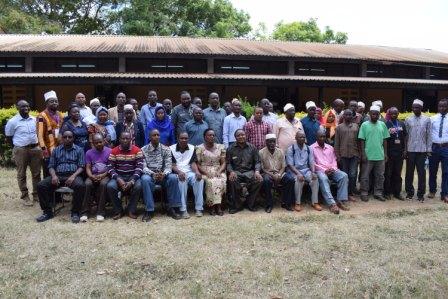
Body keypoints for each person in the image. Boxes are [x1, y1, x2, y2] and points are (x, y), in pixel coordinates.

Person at [36, 130, 86, 223]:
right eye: (65, 137)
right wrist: (54, 176)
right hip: (58, 175)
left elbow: (82, 166)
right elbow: (51, 166)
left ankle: (75, 212)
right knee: (41, 185)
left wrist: (73, 176)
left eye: (70, 137)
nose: (67, 139)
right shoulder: (56, 150)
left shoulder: (79, 150)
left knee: (80, 186)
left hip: (73, 175)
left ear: (73, 138)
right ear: (62, 138)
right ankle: (47, 212)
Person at [5, 100, 42, 206]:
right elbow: (8, 137)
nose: (26, 108)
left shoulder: (34, 119)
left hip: (35, 149)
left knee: (37, 173)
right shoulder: (13, 121)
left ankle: (36, 195)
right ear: (17, 107)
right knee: (21, 174)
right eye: (23, 106)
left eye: (27, 106)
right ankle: (25, 196)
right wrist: (17, 148)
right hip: (21, 150)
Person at [141, 129, 182, 221]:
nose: (156, 137)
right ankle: (149, 210)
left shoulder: (166, 149)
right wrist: (153, 174)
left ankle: (172, 208)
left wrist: (164, 174)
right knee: (145, 179)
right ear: (149, 137)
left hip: (163, 175)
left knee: (172, 178)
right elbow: (143, 167)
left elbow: (168, 166)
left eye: (158, 135)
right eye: (154, 135)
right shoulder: (143, 149)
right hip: (150, 175)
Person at [311, 130, 350, 214]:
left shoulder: (330, 147)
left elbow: (334, 160)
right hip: (320, 171)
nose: (322, 138)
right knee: (323, 178)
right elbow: (313, 163)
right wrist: (325, 170)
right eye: (320, 137)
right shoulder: (311, 148)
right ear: (316, 137)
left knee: (344, 176)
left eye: (324, 136)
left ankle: (340, 200)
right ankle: (332, 204)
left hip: (332, 170)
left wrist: (333, 168)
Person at [106, 132, 143, 220]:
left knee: (138, 186)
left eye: (127, 138)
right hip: (119, 176)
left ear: (131, 140)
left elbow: (140, 167)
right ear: (119, 139)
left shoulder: (137, 150)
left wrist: (132, 181)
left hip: (132, 175)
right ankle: (119, 210)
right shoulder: (114, 151)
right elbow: (110, 168)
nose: (125, 140)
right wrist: (118, 179)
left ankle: (131, 209)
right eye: (123, 138)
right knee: (110, 186)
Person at [358, 105, 390, 202]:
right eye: (373, 114)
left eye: (377, 114)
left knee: (380, 176)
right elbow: (362, 141)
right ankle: (364, 192)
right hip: (368, 155)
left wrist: (385, 153)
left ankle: (378, 193)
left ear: (379, 115)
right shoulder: (364, 125)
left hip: (380, 155)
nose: (375, 116)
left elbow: (385, 140)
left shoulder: (382, 125)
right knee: (365, 176)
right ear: (369, 114)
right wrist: (363, 154)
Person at [226, 129, 262, 213]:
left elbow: (257, 162)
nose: (241, 137)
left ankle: (250, 203)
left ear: (246, 136)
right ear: (235, 137)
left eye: (242, 135)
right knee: (232, 180)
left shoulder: (252, 147)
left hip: (249, 172)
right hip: (236, 172)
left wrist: (257, 171)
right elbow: (228, 163)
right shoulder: (230, 148)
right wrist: (231, 171)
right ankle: (237, 206)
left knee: (259, 180)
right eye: (238, 135)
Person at [170, 132, 204, 218]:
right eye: (182, 138)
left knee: (199, 179)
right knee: (182, 181)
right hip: (178, 172)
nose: (184, 140)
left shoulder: (192, 148)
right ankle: (183, 210)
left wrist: (197, 172)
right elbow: (172, 165)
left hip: (189, 172)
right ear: (178, 139)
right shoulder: (171, 149)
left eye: (186, 138)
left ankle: (199, 208)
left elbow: (192, 163)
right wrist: (179, 172)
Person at [286, 131, 321, 212]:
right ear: (296, 138)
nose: (302, 139)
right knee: (299, 180)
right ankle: (297, 203)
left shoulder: (309, 148)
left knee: (315, 179)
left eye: (303, 137)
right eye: (300, 137)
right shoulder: (291, 149)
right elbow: (290, 165)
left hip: (306, 170)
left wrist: (313, 172)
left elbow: (311, 162)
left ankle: (315, 202)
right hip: (294, 171)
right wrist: (298, 174)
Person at [404, 99, 432, 201]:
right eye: (413, 107)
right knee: (409, 173)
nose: (415, 109)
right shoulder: (408, 119)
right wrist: (405, 150)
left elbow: (429, 135)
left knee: (421, 173)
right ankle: (409, 192)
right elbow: (406, 136)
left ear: (421, 108)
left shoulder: (427, 119)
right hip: (410, 150)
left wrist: (429, 150)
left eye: (417, 107)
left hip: (422, 151)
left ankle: (421, 194)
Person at [260, 134, 295, 213]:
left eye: (273, 142)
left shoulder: (280, 151)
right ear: (266, 142)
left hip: (280, 173)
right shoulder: (261, 152)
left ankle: (286, 203)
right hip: (268, 173)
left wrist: (279, 175)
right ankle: (269, 204)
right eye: (270, 142)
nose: (272, 143)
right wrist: (272, 175)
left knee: (290, 179)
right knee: (266, 181)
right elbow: (262, 168)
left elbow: (283, 166)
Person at [80, 133, 111, 222]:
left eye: (100, 142)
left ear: (104, 141)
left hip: (105, 174)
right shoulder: (89, 152)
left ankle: (101, 212)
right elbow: (88, 167)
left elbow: (110, 167)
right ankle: (85, 212)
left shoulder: (109, 151)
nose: (98, 144)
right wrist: (91, 176)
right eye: (96, 143)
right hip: (93, 175)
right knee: (87, 184)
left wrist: (103, 175)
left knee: (103, 184)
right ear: (92, 143)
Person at [196, 129, 227, 216]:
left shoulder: (221, 147)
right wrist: (206, 172)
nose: (211, 137)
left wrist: (219, 171)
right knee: (211, 182)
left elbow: (224, 162)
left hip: (218, 169)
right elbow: (197, 164)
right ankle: (212, 206)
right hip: (205, 170)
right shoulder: (199, 148)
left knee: (221, 180)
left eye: (213, 135)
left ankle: (219, 206)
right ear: (205, 137)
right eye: (209, 135)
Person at [37, 90, 64, 177]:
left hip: (60, 150)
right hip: (48, 150)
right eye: (51, 101)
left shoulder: (60, 115)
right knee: (48, 174)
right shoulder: (41, 116)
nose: (54, 103)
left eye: (56, 101)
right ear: (46, 103)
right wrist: (44, 151)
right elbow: (40, 135)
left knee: (60, 172)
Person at [334, 109, 360, 199]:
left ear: (353, 116)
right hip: (343, 155)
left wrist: (359, 154)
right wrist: (337, 156)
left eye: (350, 115)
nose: (348, 116)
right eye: (346, 115)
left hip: (354, 154)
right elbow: (336, 143)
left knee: (353, 174)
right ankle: (345, 193)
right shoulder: (339, 127)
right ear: (343, 116)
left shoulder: (356, 126)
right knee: (345, 174)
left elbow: (359, 142)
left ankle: (350, 192)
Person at [384, 107, 407, 200]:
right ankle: (387, 192)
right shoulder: (386, 124)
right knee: (388, 173)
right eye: (392, 113)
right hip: (389, 153)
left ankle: (397, 192)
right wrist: (385, 153)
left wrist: (405, 150)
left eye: (396, 113)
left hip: (399, 153)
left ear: (398, 114)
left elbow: (405, 137)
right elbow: (384, 139)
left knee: (398, 173)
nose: (394, 115)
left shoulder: (402, 123)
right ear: (389, 114)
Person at [428, 99, 448, 203]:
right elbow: (429, 133)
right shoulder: (432, 119)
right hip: (434, 147)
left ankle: (444, 194)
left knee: (446, 172)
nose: (442, 108)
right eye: (440, 106)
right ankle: (432, 190)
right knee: (432, 171)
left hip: (446, 148)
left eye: (444, 106)